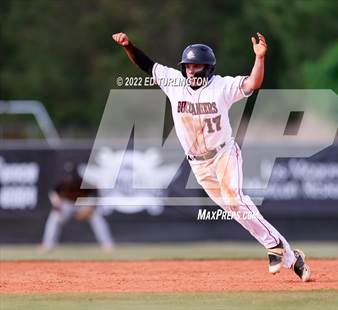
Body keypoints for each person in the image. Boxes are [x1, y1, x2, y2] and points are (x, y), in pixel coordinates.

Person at [112, 31, 310, 281]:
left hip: (223, 154)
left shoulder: (222, 86)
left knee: (235, 199)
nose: (192, 70)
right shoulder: (175, 83)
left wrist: (260, 59)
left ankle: (274, 246)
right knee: (236, 210)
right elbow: (147, 64)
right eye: (188, 66)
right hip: (198, 163)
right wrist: (128, 46)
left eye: (197, 66)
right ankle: (290, 257)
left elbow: (253, 84)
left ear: (208, 68)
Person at [41, 162, 114, 251]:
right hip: (67, 204)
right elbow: (53, 192)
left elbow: (96, 193)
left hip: (82, 202)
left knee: (96, 217)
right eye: (68, 175)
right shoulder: (62, 181)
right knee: (54, 217)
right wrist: (56, 203)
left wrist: (90, 207)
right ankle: (48, 245)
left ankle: (107, 244)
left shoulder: (84, 181)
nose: (69, 178)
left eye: (71, 175)